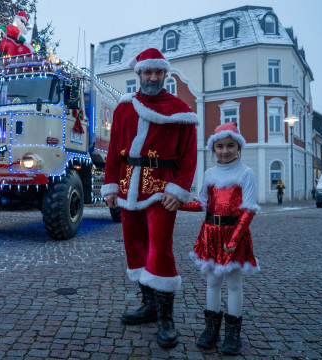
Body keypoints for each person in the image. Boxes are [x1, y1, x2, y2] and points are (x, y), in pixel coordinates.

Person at [101, 48, 198, 349]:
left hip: (161, 190)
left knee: (160, 249)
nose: (153, 77)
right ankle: (149, 307)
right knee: (137, 247)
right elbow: (115, 148)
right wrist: (110, 186)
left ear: (165, 74)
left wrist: (178, 188)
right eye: (148, 72)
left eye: (158, 72)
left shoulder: (180, 109)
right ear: (139, 74)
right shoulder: (123, 108)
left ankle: (166, 317)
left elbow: (188, 155)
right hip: (129, 188)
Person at [179, 122, 260, 355]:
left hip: (234, 235)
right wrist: (177, 204)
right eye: (220, 146)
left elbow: (248, 210)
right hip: (210, 234)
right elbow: (202, 203)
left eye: (230, 146)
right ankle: (211, 328)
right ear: (213, 148)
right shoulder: (209, 173)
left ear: (238, 147)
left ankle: (233, 333)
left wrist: (233, 241)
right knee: (212, 282)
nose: (225, 151)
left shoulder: (246, 173)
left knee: (234, 283)